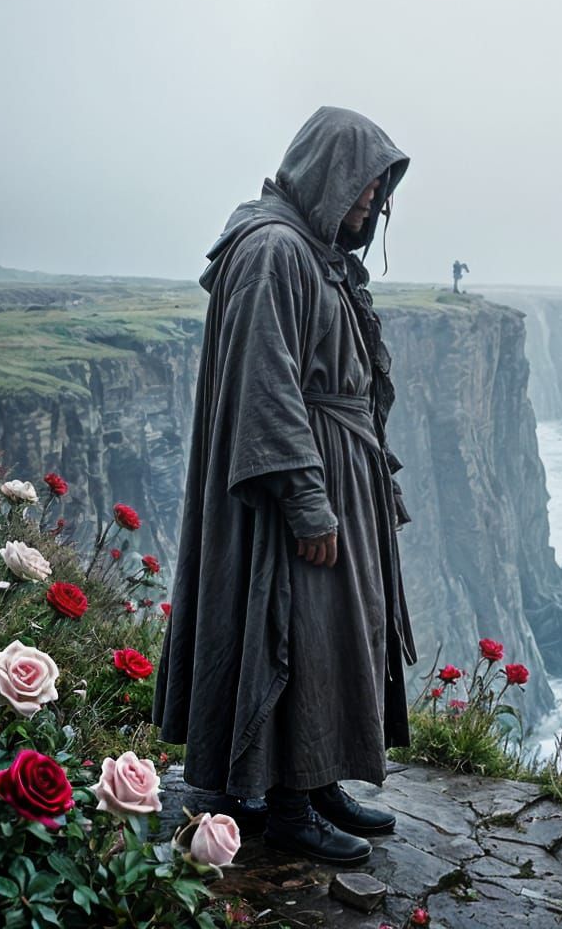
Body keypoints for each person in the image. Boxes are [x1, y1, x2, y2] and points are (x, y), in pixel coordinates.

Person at [152, 106, 417, 866]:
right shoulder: (274, 251)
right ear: (325, 173)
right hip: (295, 492)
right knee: (293, 634)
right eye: (364, 186)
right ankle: (290, 807)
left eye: (379, 191)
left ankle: (319, 777)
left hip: (338, 474)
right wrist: (306, 497)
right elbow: (267, 387)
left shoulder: (312, 250)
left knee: (336, 637)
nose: (372, 203)